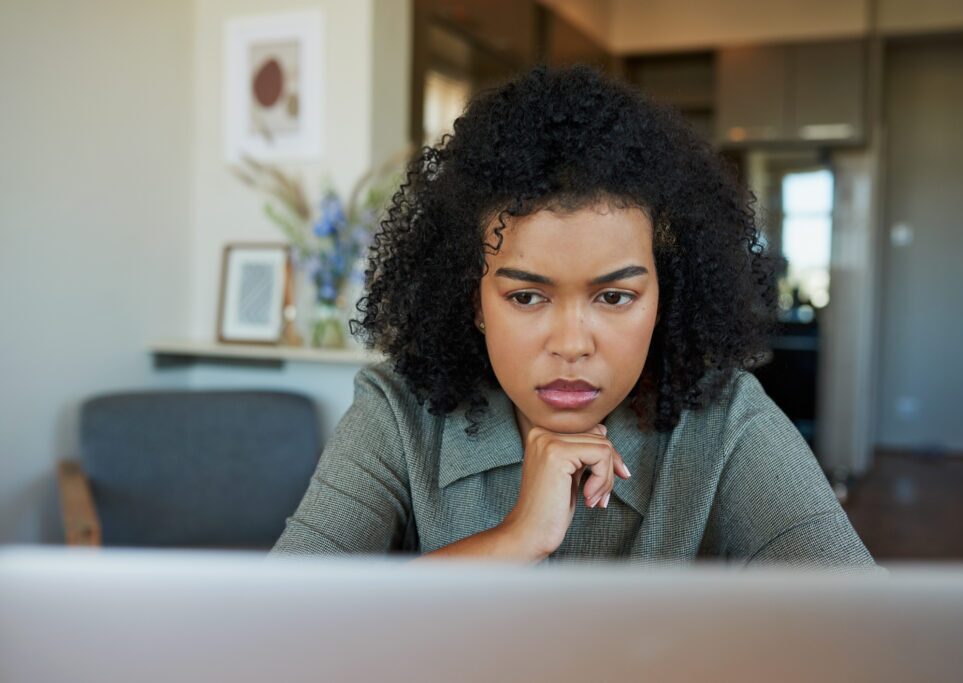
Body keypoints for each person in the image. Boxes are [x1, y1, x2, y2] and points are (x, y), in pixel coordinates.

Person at [270, 63, 876, 569]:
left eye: (614, 297)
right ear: (473, 301)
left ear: (667, 296)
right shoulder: (397, 414)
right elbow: (274, 634)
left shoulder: (726, 423)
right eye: (526, 297)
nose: (571, 344)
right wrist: (514, 540)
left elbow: (872, 638)